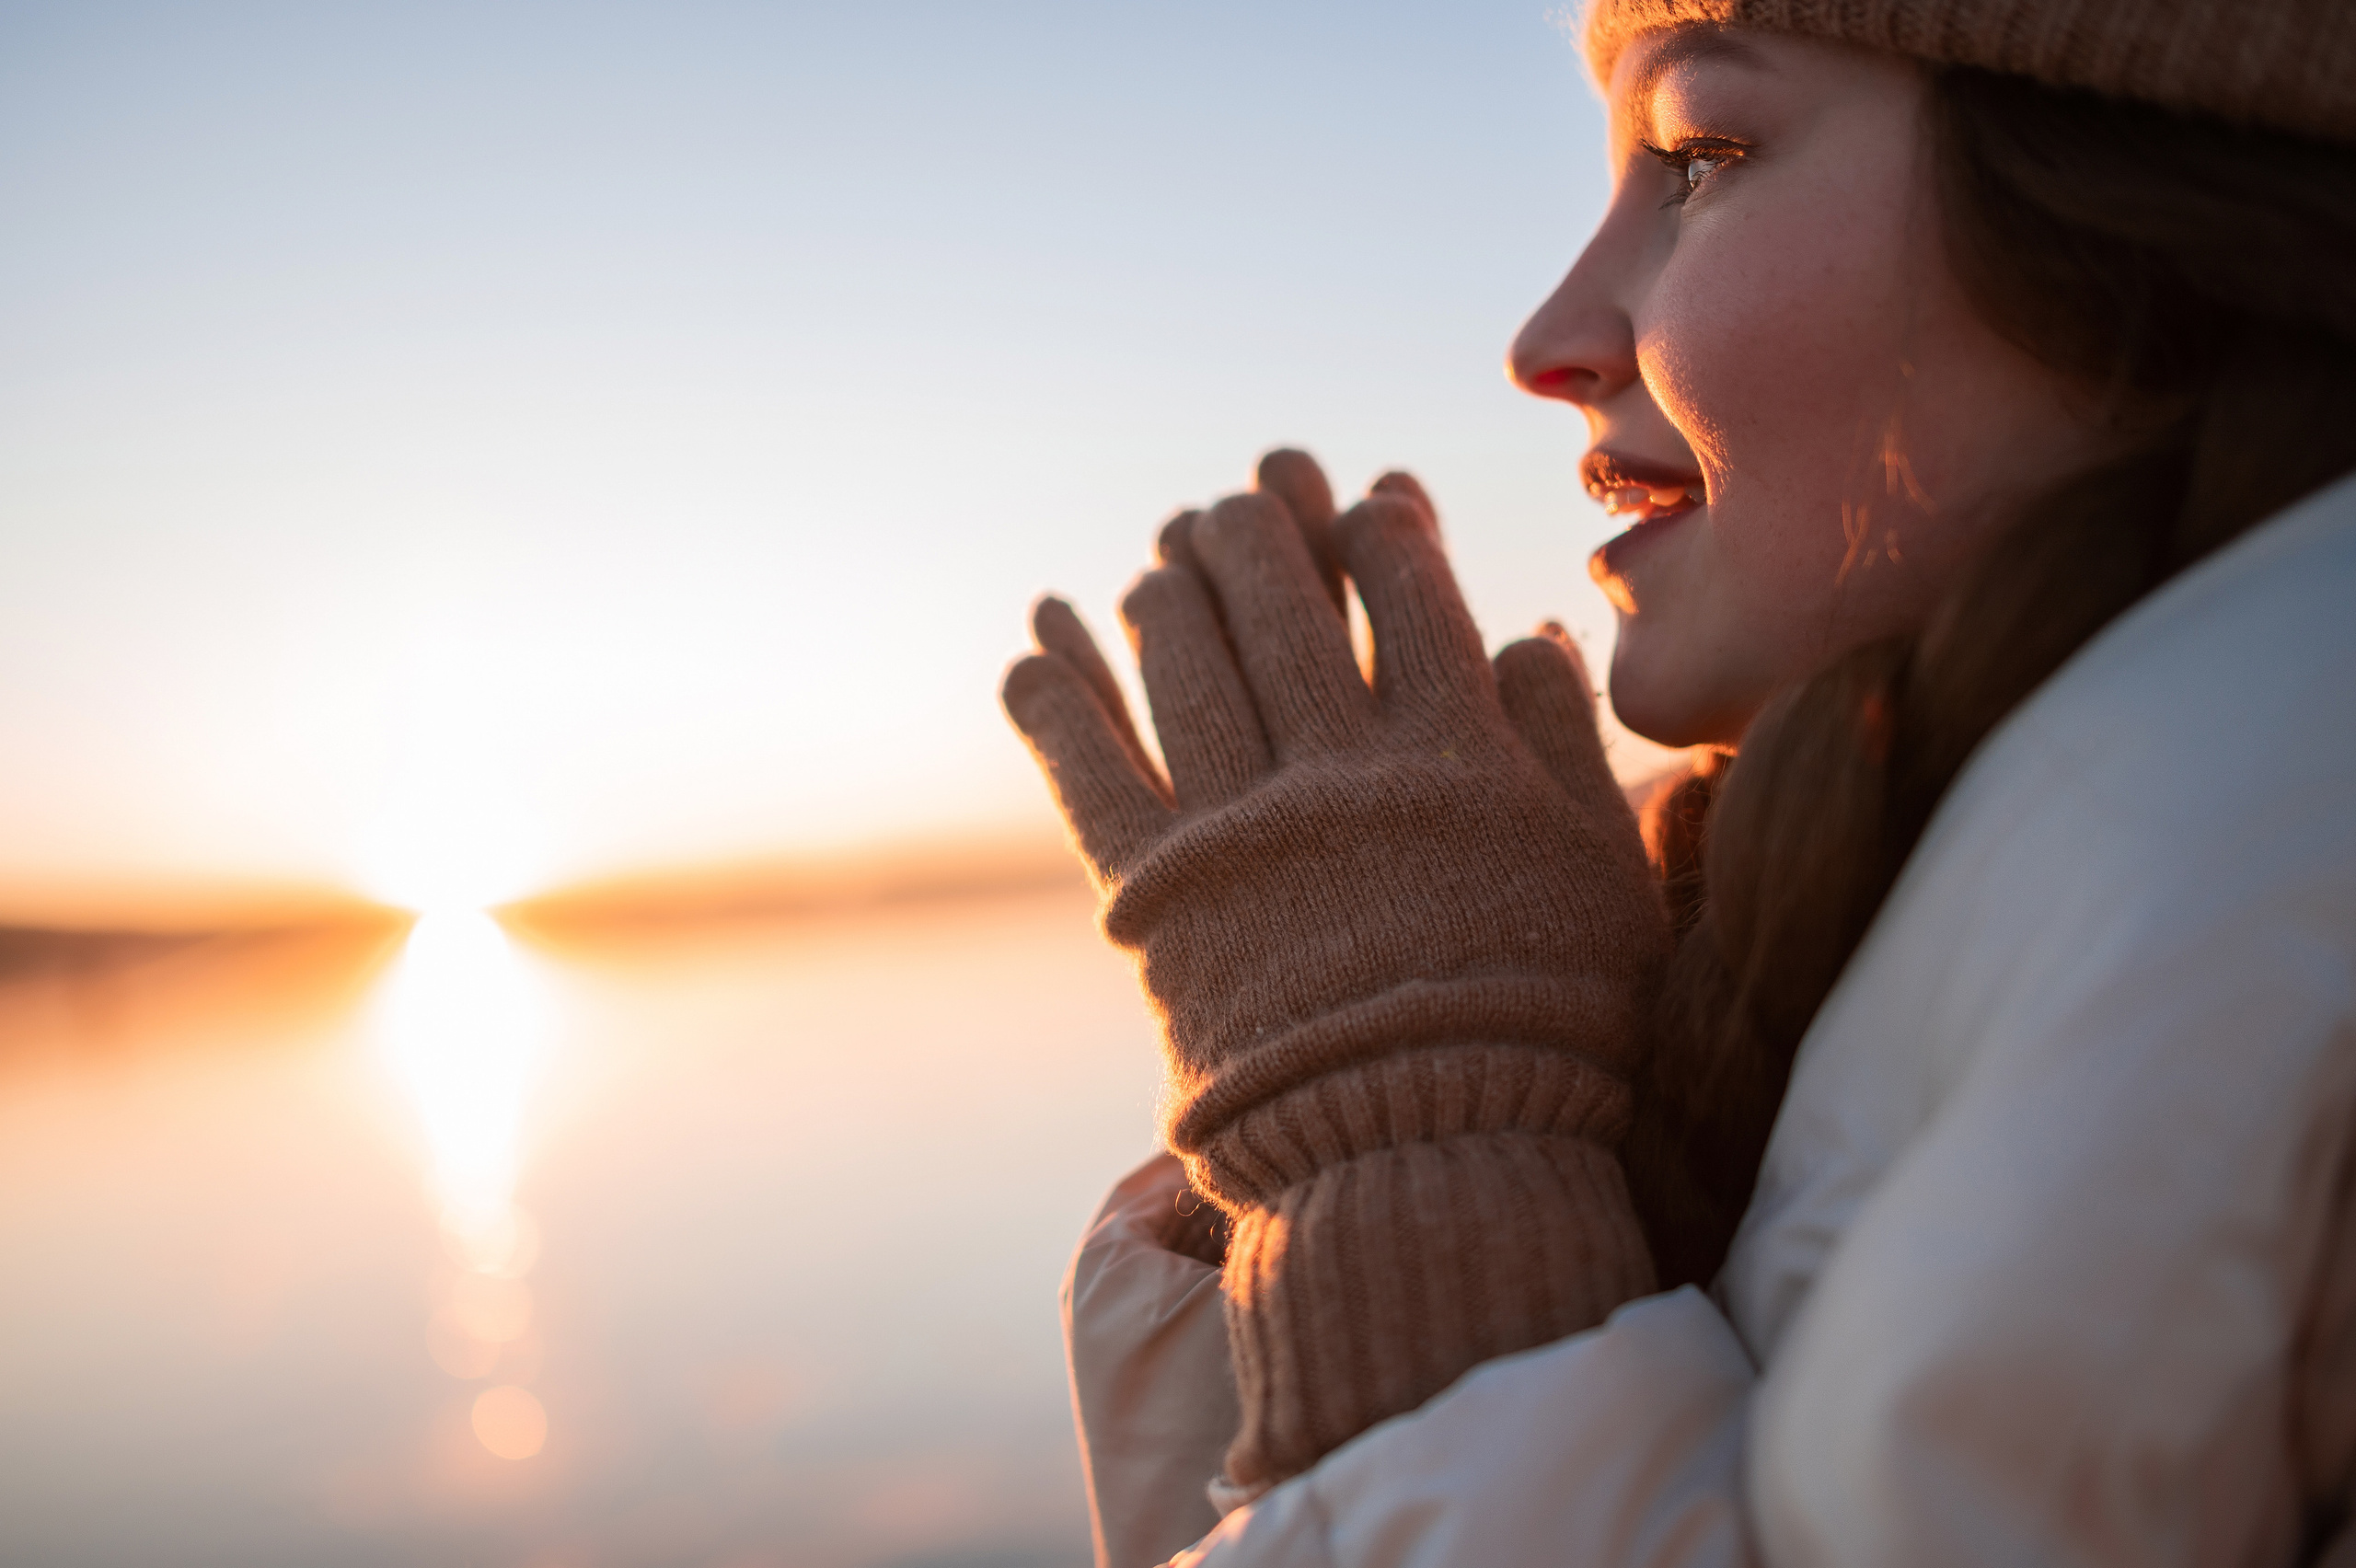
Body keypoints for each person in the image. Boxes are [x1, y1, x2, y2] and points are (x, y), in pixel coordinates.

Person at [1002, 1, 2356, 1563]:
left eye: (1698, 153)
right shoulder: (2039, 857)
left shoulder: (2235, 874)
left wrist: (1410, 1166)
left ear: (2146, 211)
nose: (1547, 338)